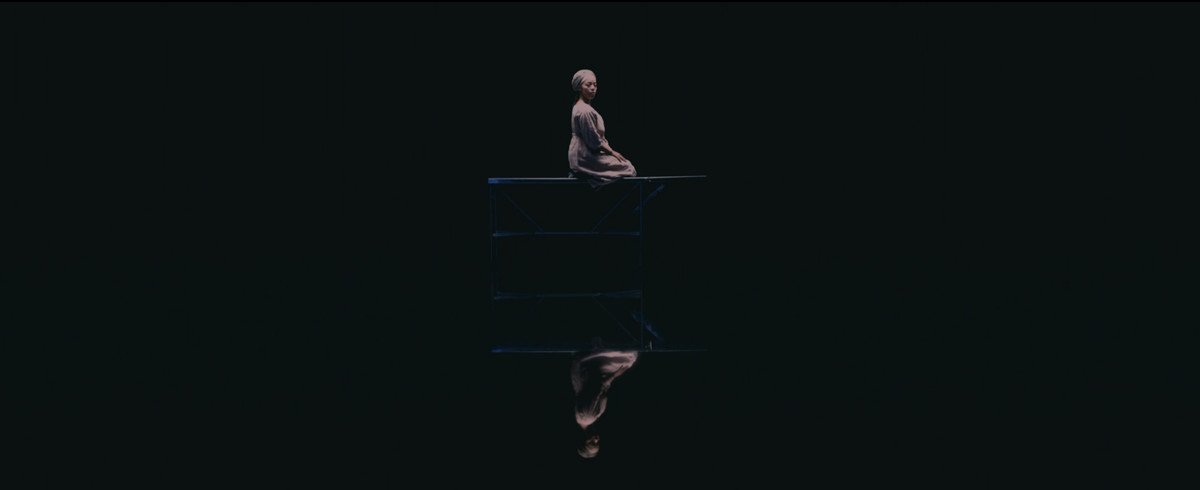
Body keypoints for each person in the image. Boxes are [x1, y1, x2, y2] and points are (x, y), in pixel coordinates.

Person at [568, 69, 637, 188]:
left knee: (625, 165)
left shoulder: (582, 107)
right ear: (580, 87)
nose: (593, 88)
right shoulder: (584, 110)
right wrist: (612, 152)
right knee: (628, 167)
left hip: (583, 153)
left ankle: (589, 176)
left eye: (595, 85)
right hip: (585, 155)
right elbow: (593, 141)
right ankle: (590, 177)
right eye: (588, 85)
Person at [570, 342, 639, 459]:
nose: (597, 439)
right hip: (588, 370)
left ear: (583, 440)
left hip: (591, 367)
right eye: (597, 443)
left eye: (592, 443)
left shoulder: (588, 417)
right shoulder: (582, 420)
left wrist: (616, 374)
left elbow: (599, 385)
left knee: (630, 357)